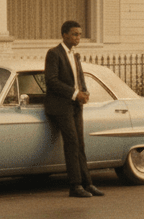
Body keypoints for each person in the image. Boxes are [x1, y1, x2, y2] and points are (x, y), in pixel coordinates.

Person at [44, 20, 103, 198]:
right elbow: (52, 81)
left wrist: (84, 92)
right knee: (72, 143)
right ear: (65, 35)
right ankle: (75, 185)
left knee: (80, 144)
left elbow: (79, 77)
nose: (78, 37)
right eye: (75, 34)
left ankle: (88, 183)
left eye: (79, 34)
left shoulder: (75, 55)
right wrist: (74, 93)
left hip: (75, 105)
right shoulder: (54, 53)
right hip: (60, 105)